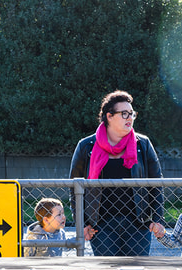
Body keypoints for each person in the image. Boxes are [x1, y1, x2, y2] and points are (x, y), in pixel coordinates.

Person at [69, 90, 164, 256]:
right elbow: (74, 188)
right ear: (109, 116)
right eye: (124, 113)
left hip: (138, 225)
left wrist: (157, 219)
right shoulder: (86, 146)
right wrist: (82, 223)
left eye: (132, 114)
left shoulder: (143, 145)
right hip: (101, 226)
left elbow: (156, 184)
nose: (130, 118)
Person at [23, 198, 94, 257]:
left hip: (56, 269)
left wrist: (81, 237)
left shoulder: (60, 232)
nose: (63, 217)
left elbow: (66, 246)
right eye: (59, 214)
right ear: (46, 220)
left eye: (63, 213)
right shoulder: (34, 237)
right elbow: (26, 256)